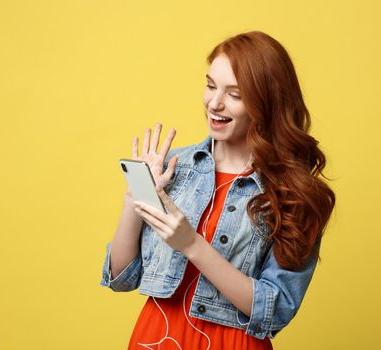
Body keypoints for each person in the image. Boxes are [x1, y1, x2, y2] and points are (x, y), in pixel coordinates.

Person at [100, 30, 336, 350]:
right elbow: (121, 277)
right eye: (210, 86)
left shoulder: (294, 192)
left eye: (235, 95)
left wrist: (192, 244)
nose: (215, 103)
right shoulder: (174, 167)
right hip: (156, 338)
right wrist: (136, 196)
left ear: (266, 103)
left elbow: (276, 308)